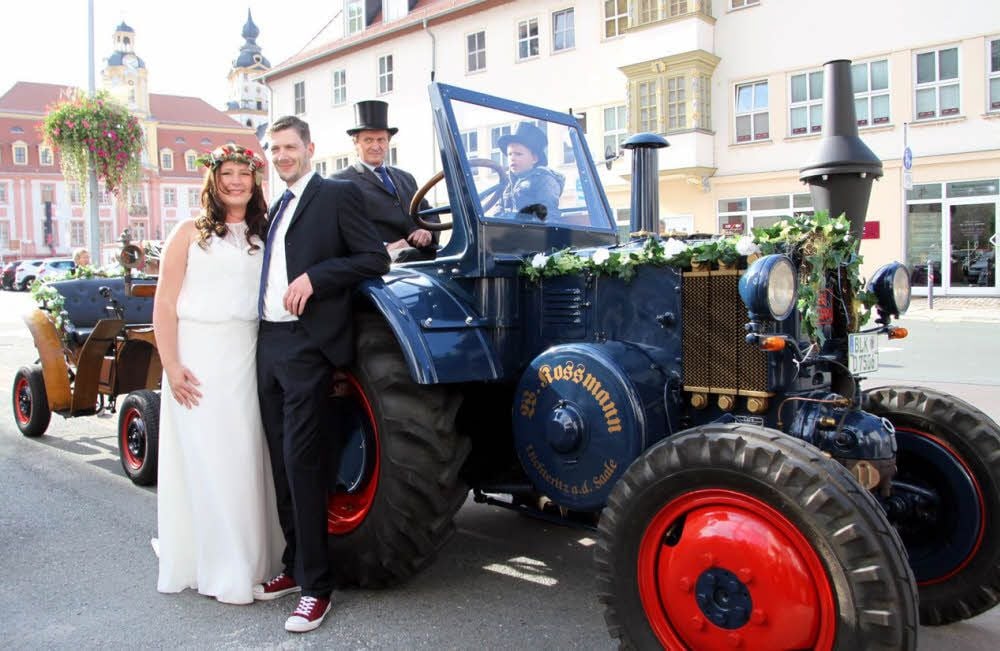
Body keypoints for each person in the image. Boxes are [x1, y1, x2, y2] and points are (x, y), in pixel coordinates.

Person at [254, 116, 389, 633]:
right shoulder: (276, 206)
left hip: (308, 344)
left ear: (310, 148)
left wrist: (315, 277)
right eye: (275, 148)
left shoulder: (335, 195)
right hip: (268, 343)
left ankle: (316, 589)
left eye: (290, 146)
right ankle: (294, 567)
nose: (282, 155)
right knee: (281, 462)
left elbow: (372, 258)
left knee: (303, 463)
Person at [153, 144, 284, 604]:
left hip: (247, 354)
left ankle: (255, 561)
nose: (235, 182)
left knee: (247, 457)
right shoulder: (188, 232)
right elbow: (164, 304)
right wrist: (172, 367)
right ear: (213, 179)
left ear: (255, 181)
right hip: (199, 358)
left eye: (243, 174)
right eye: (226, 173)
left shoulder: (266, 233)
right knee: (211, 461)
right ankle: (223, 565)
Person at [333, 100, 439, 263]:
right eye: (368, 140)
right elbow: (342, 232)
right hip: (380, 266)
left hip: (421, 259)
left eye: (381, 140)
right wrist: (385, 246)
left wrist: (426, 231)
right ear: (356, 143)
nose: (376, 146)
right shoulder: (340, 181)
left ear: (388, 142)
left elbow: (428, 213)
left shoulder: (406, 178)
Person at [497, 122, 565, 220]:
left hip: (531, 232)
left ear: (534, 159)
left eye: (518, 154)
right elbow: (497, 212)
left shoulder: (544, 181)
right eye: (510, 154)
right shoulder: (507, 182)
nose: (512, 158)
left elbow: (547, 216)